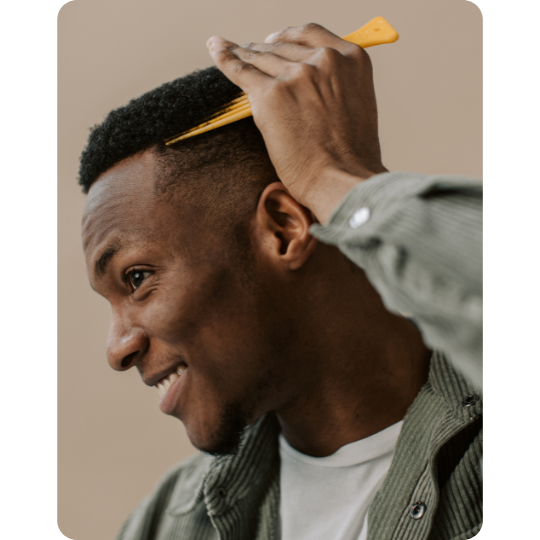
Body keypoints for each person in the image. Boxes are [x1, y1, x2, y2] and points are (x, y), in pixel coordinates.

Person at [79, 23, 483, 540]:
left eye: (136, 278)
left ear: (284, 228)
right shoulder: (167, 524)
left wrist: (335, 178)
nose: (117, 350)